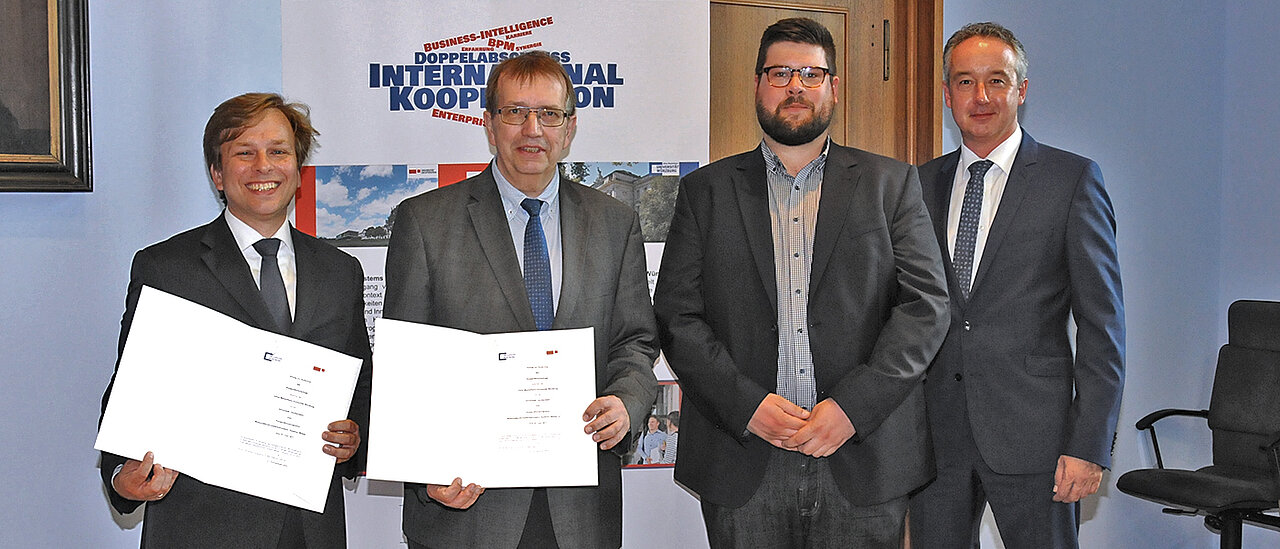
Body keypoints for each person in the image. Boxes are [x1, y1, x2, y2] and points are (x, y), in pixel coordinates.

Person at [653, 17, 950, 549]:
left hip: (863, 455)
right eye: (780, 73)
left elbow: (925, 307)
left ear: (833, 86)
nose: (796, 87)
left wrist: (853, 408)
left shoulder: (891, 184)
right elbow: (677, 316)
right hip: (743, 459)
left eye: (811, 74)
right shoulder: (705, 192)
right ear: (757, 84)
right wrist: (747, 406)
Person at [383, 50, 660, 549]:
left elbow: (635, 342)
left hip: (581, 511)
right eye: (515, 112)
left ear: (569, 129)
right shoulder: (424, 222)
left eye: (549, 114)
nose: (533, 129)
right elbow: (406, 365)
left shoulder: (614, 223)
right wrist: (426, 472)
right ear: (489, 125)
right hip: (466, 509)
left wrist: (626, 402)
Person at [98, 92, 373, 548]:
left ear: (297, 170)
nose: (264, 166)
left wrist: (354, 439)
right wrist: (120, 477)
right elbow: (129, 389)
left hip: (311, 531)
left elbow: (361, 387)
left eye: (278, 151)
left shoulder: (340, 271)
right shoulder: (166, 267)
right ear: (217, 174)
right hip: (199, 528)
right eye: (245, 153)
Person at [907, 22, 1125, 549]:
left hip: (1037, 440)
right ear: (947, 94)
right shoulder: (917, 184)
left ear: (1021, 90)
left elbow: (1102, 325)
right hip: (934, 440)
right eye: (965, 81)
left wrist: (1089, 443)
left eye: (996, 80)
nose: (980, 97)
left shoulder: (1071, 180)